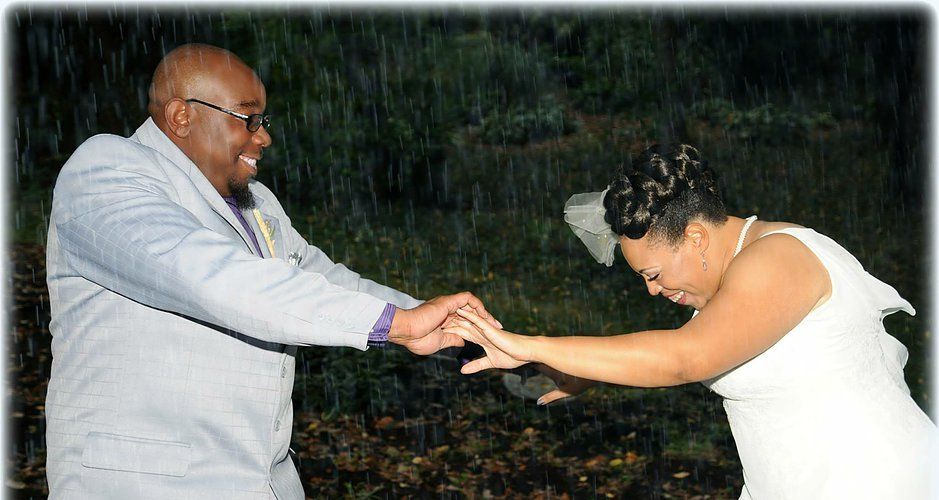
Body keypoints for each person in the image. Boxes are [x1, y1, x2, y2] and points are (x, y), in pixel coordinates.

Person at [44, 43, 497, 499]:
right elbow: (212, 278)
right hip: (146, 484)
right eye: (248, 118)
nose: (263, 138)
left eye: (264, 121)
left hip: (260, 482)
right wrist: (393, 325)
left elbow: (322, 278)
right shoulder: (105, 171)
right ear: (181, 116)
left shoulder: (256, 202)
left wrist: (433, 319)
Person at [447, 144, 937, 498]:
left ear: (697, 237)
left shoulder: (779, 258)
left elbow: (685, 357)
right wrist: (586, 371)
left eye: (654, 273)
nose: (652, 290)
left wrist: (530, 345)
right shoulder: (732, 277)